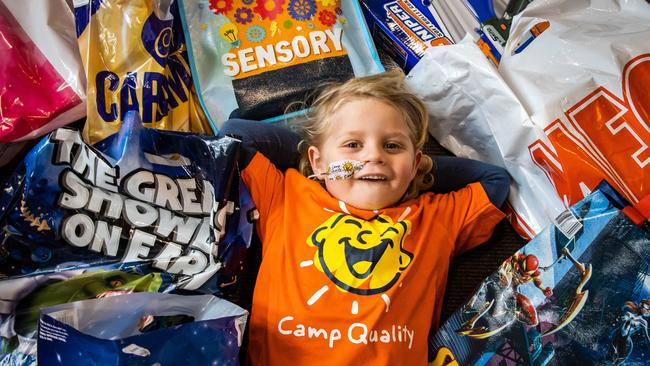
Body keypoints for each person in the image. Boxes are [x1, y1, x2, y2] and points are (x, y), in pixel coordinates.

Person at [219, 69, 510, 365]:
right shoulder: (286, 196)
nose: (373, 156)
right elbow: (235, 134)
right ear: (318, 160)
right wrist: (317, 166)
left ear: (415, 163)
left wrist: (411, 171)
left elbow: (495, 182)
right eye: (353, 145)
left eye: (392, 146)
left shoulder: (436, 218)